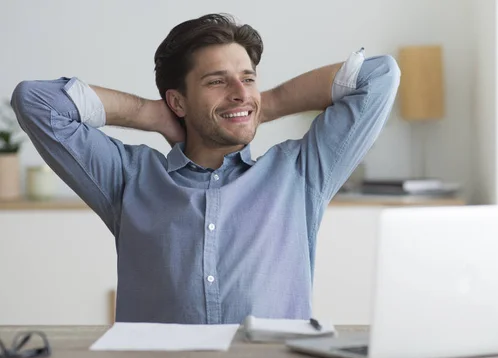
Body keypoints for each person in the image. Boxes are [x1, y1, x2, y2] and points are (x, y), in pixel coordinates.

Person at [11, 14, 400, 324]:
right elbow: (36, 101)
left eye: (248, 78)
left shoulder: (300, 173)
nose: (240, 89)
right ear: (177, 102)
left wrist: (261, 106)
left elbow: (378, 75)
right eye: (217, 81)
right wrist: (151, 115)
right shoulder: (130, 177)